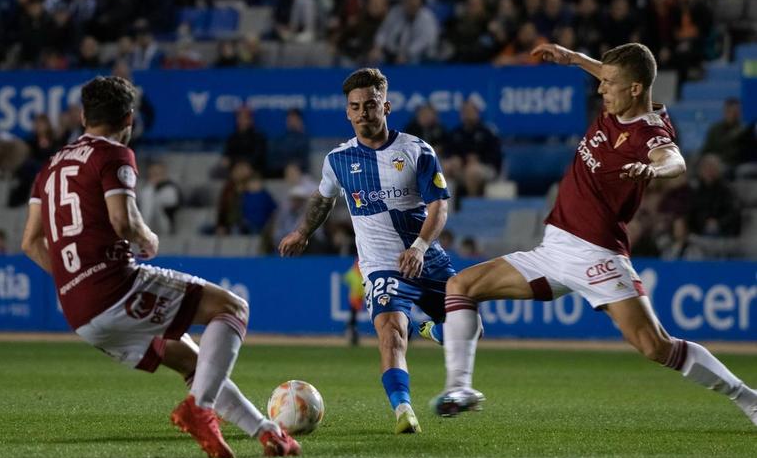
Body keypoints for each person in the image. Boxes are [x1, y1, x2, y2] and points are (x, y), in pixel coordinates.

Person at [431, 43, 757, 427]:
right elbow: (609, 72)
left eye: (609, 83)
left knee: (655, 346)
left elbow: (675, 159)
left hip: (597, 255)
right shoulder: (619, 100)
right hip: (553, 248)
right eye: (602, 81)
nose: (601, 90)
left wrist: (654, 171)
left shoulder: (648, 132)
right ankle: (461, 388)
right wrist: (573, 57)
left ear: (636, 89)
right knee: (460, 286)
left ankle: (748, 398)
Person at [21, 76, 300, 458]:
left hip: (79, 311)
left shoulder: (48, 168)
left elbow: (30, 242)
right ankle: (199, 409)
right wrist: (147, 237)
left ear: (83, 116)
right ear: (130, 119)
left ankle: (267, 433)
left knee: (194, 362)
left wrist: (74, 279)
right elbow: (123, 221)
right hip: (115, 287)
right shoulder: (114, 154)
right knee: (233, 308)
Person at [279, 68, 454, 434]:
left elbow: (439, 206)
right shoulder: (338, 160)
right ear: (347, 112)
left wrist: (421, 246)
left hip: (427, 258)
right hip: (380, 266)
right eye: (355, 107)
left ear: (386, 106)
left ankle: (430, 328)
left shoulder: (416, 150)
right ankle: (403, 409)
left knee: (469, 330)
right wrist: (302, 231)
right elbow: (322, 198)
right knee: (391, 332)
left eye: (370, 105)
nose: (362, 113)